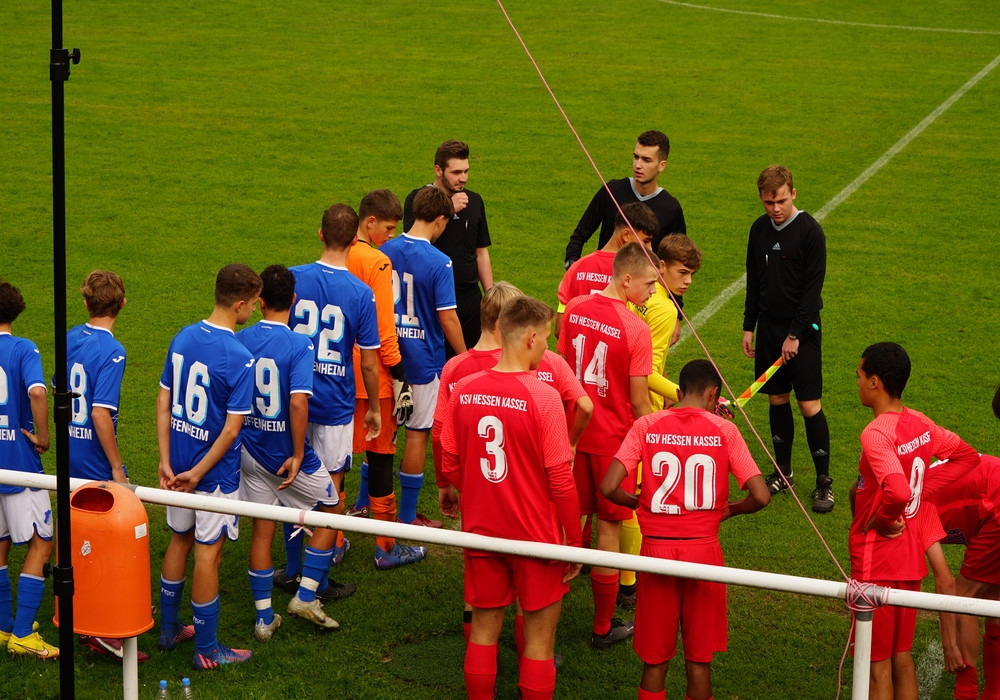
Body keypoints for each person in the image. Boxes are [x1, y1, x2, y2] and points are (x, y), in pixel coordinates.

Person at [432, 282, 592, 648]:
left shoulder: (464, 383)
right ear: (531, 338)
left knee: (484, 631)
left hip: (483, 524)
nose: (549, 347)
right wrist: (575, 539)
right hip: (535, 528)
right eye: (548, 338)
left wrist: (475, 487)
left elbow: (447, 453)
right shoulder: (544, 395)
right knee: (538, 639)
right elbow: (561, 480)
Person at [600, 359, 770, 700]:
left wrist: (637, 503)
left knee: (654, 661)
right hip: (704, 552)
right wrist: (729, 511)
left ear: (679, 392)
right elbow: (761, 496)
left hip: (655, 554)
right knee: (699, 662)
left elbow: (607, 487)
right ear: (713, 395)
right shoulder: (725, 430)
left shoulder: (647, 425)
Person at [850, 341, 980, 700]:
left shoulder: (876, 433)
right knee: (901, 656)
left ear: (875, 381)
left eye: (859, 376)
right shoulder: (920, 422)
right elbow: (967, 457)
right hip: (911, 563)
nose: (857, 383)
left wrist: (880, 519)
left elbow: (896, 491)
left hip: (877, 561)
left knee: (875, 667)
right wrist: (921, 491)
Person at [238, 265, 352, 640]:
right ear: (293, 300)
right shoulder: (299, 343)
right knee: (333, 509)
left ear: (259, 302)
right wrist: (299, 453)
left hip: (250, 451)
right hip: (283, 455)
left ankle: (263, 618)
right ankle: (305, 596)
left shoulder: (243, 338)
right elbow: (299, 402)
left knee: (262, 529)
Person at [156, 264, 261, 669]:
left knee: (178, 540)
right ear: (238, 304)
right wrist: (199, 473)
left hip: (176, 464)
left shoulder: (182, 336)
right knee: (208, 555)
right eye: (252, 304)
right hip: (211, 476)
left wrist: (166, 461)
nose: (252, 310)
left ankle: (169, 630)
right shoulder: (240, 356)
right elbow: (232, 431)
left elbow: (163, 402)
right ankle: (207, 648)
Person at [557, 241, 658, 649]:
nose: (654, 291)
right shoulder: (637, 329)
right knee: (610, 531)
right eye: (651, 284)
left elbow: (562, 368)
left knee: (569, 525)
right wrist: (652, 441)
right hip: (614, 445)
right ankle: (602, 627)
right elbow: (637, 401)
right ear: (627, 278)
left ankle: (549, 616)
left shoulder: (577, 308)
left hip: (573, 437)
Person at [289, 205, 394, 569]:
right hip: (335, 401)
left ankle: (293, 562)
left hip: (293, 397)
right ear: (354, 240)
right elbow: (368, 361)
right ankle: (323, 558)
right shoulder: (361, 293)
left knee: (292, 475)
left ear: (320, 234)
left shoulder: (292, 279)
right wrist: (377, 410)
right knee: (331, 483)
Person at [62, 270, 148, 661]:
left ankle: (81, 618)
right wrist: (116, 468)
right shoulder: (115, 351)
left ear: (85, 303)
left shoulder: (68, 338)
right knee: (100, 540)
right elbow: (100, 414)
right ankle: (102, 629)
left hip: (69, 450)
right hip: (94, 458)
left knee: (77, 537)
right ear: (123, 304)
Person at [617, 234, 703, 610]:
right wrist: (686, 397)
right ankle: (628, 582)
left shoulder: (637, 296)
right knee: (635, 499)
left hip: (614, 397)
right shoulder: (664, 308)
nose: (687, 282)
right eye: (681, 273)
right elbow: (648, 371)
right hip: (641, 406)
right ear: (660, 267)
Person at [741, 164, 834, 513]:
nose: (774, 208)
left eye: (780, 200)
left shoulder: (811, 232)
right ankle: (783, 472)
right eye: (767, 202)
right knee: (776, 399)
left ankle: (824, 482)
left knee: (809, 405)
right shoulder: (758, 230)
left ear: (793, 194)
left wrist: (795, 334)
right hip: (769, 330)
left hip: (804, 330)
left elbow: (812, 291)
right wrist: (749, 326)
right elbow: (754, 282)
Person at [340, 190, 420, 567]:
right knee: (381, 453)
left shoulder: (338, 255)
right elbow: (385, 331)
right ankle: (386, 547)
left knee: (335, 459)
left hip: (333, 376)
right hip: (372, 377)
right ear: (369, 222)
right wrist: (400, 372)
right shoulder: (378, 262)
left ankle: (332, 541)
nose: (390, 235)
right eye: (387, 228)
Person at [383, 186, 467, 532]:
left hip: (387, 355)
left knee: (384, 435)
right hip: (422, 360)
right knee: (416, 433)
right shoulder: (439, 261)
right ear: (441, 219)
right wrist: (465, 357)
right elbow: (447, 318)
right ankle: (405, 517)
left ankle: (366, 506)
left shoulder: (384, 250)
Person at [0, 281, 56, 659]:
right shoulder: (22, 348)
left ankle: (4, 627)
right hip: (18, 463)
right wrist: (43, 435)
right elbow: (37, 392)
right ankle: (22, 634)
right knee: (42, 540)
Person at [404, 139, 493, 356]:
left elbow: (481, 252)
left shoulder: (474, 201)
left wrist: (490, 296)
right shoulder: (418, 200)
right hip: (432, 299)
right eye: (456, 172)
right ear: (438, 170)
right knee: (437, 364)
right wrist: (449, 210)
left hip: (470, 301)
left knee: (474, 363)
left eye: (466, 171)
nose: (463, 178)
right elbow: (413, 247)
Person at [925, 451, 1000, 699]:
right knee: (993, 596)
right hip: (989, 502)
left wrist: (949, 644)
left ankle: (965, 691)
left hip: (994, 507)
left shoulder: (909, 511)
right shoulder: (911, 487)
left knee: (965, 598)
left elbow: (946, 583)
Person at [564, 130, 686, 267]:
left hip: (643, 286)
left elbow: (677, 258)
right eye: (636, 157)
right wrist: (572, 264)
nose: (638, 165)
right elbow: (579, 235)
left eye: (646, 160)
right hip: (606, 283)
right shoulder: (612, 191)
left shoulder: (670, 208)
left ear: (661, 165)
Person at [555, 202, 656, 337]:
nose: (650, 249)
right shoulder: (634, 275)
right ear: (626, 235)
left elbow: (560, 330)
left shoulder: (576, 267)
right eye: (646, 241)